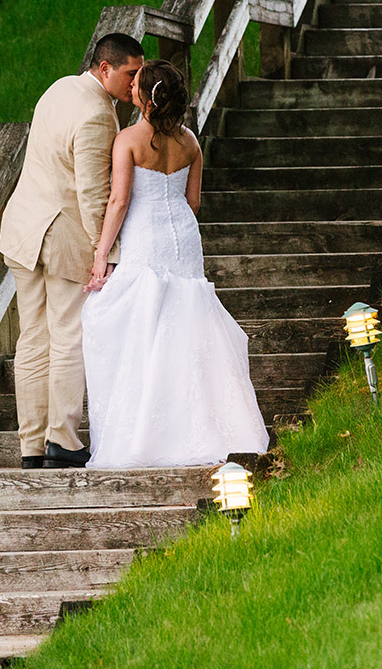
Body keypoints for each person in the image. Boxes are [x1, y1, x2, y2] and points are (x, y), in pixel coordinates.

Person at [80, 59, 270, 468]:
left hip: (145, 236)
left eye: (136, 86)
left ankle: (145, 430)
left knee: (137, 321)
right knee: (186, 322)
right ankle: (206, 423)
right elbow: (194, 202)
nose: (129, 89)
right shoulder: (190, 143)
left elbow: (118, 201)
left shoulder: (128, 139)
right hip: (184, 236)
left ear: (146, 98)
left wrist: (100, 256)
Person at [0, 33, 144, 469]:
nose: (135, 84)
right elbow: (93, 195)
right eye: (130, 74)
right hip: (60, 237)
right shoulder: (99, 113)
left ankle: (31, 446)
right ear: (105, 69)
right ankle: (62, 439)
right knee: (65, 337)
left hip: (24, 229)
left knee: (32, 339)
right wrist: (107, 252)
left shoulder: (59, 88)